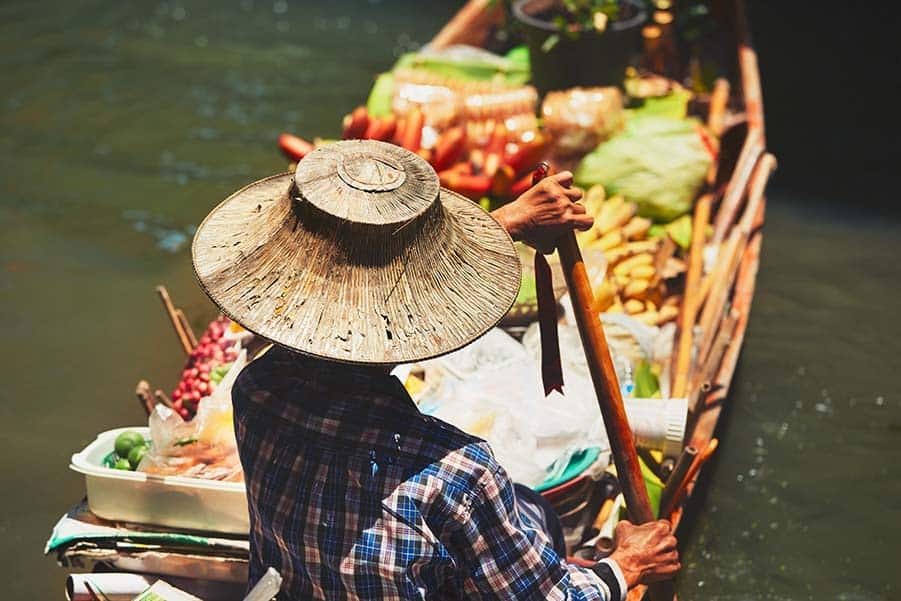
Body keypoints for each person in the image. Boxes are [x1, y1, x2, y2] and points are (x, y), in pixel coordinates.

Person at [192, 140, 680, 600]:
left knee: (526, 509)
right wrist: (627, 565)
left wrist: (506, 223)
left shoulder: (257, 390)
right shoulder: (458, 474)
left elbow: (361, 275)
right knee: (538, 517)